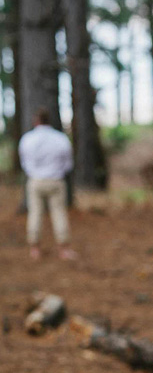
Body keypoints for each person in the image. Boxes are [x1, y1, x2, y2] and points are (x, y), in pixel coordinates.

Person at [18, 107, 76, 260]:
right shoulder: (60, 139)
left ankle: (34, 249)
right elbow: (68, 163)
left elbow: (24, 162)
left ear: (36, 121)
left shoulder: (27, 139)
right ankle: (63, 249)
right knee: (59, 213)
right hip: (56, 181)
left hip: (35, 181)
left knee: (35, 213)